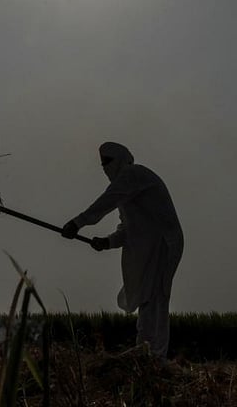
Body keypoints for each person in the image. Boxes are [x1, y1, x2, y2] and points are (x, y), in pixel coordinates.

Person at [62, 142, 184, 359]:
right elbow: (127, 230)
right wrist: (107, 242)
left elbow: (106, 201)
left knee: (154, 297)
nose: (104, 167)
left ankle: (153, 356)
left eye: (107, 161)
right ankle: (148, 353)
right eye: (102, 163)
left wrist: (77, 223)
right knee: (149, 297)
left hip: (163, 245)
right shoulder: (126, 191)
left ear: (120, 159)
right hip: (150, 248)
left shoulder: (132, 175)